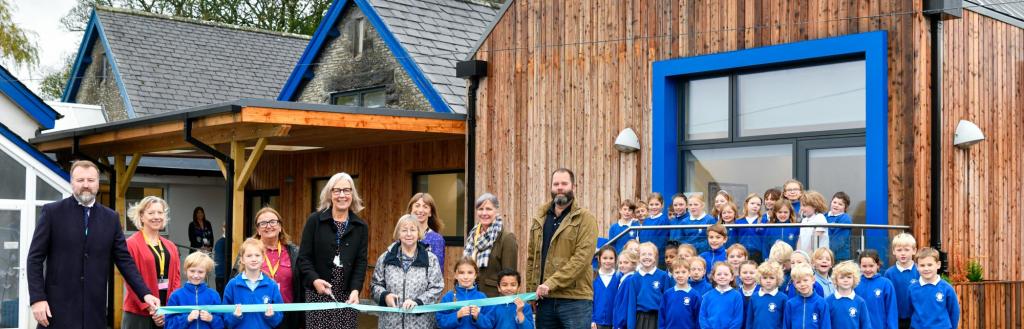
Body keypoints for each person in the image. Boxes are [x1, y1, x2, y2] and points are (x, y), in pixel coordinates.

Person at [28, 160, 160, 328]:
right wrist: (37, 298)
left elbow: (125, 261)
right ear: (71, 182)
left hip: (94, 311)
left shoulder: (111, 218)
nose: (86, 185)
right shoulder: (52, 212)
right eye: (80, 180)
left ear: (98, 182)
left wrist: (145, 293)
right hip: (56, 310)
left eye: (91, 180)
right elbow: (34, 258)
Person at [525, 168, 598, 329]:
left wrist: (551, 283)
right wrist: (531, 293)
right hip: (545, 300)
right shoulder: (540, 219)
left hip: (575, 300)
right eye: (556, 184)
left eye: (564, 183)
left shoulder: (586, 219)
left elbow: (581, 259)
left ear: (573, 187)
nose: (559, 187)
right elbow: (532, 258)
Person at [298, 172, 368, 329]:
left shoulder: (360, 227)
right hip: (318, 294)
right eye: (337, 190)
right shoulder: (315, 221)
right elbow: (304, 258)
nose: (342, 195)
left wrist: (356, 290)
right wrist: (315, 280)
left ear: (352, 194)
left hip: (347, 296)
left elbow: (360, 263)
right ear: (330, 194)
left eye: (346, 190)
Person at [370, 215, 444, 329]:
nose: (408, 234)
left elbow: (437, 287)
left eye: (413, 230)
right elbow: (375, 285)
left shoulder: (430, 259)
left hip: (421, 323)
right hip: (390, 323)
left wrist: (418, 302)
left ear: (418, 233)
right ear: (398, 234)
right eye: (404, 230)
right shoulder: (385, 258)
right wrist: (385, 296)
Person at [123, 196, 182, 329]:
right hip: (139, 313)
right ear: (141, 216)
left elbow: (176, 279)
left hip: (166, 313)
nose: (156, 217)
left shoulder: (170, 246)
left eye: (160, 212)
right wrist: (152, 310)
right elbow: (131, 280)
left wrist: (168, 308)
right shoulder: (131, 244)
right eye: (151, 213)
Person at [251, 207, 303, 328]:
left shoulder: (294, 252)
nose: (268, 226)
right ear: (258, 230)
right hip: (257, 315)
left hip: (287, 315)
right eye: (263, 223)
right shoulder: (249, 252)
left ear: (280, 227)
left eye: (273, 222)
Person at [464, 193, 519, 297]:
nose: (484, 213)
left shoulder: (507, 238)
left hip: (493, 298)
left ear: (496, 210)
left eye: (489, 209)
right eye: (480, 209)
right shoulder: (473, 235)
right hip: (472, 295)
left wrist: (503, 303)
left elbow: (509, 277)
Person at [224, 238, 283, 329]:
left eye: (257, 255)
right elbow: (225, 318)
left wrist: (271, 316)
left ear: (263, 258)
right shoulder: (232, 285)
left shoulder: (272, 285)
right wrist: (235, 317)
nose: (254, 259)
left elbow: (279, 317)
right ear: (242, 259)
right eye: (249, 256)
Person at [614, 243, 673, 329]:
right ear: (638, 257)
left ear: (655, 257)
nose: (647, 257)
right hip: (640, 319)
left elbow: (667, 302)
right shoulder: (634, 278)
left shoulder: (663, 276)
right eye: (643, 254)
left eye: (650, 254)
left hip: (658, 318)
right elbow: (631, 305)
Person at [165, 252, 223, 329]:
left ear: (206, 273)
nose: (196, 275)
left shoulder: (214, 295)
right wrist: (187, 319)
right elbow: (168, 325)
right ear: (185, 271)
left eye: (200, 272)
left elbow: (222, 324)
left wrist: (211, 318)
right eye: (192, 271)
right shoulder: (175, 296)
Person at [907, 247, 960, 329]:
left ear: (938, 265)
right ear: (917, 266)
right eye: (922, 265)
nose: (926, 268)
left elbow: (953, 312)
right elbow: (910, 311)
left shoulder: (947, 288)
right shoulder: (912, 288)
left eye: (930, 265)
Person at [437, 258, 493, 329]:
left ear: (475, 275)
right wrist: (457, 315)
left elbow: (490, 324)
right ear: (456, 275)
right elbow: (440, 322)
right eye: (461, 273)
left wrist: (478, 317)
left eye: (470, 273)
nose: (466, 277)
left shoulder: (482, 297)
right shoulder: (448, 297)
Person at [883, 233, 919, 329]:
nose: (903, 253)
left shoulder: (919, 271)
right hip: (895, 319)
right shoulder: (889, 273)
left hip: (916, 318)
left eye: (907, 250)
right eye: (899, 250)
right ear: (894, 251)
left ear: (914, 251)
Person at [856, 249, 898, 329]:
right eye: (864, 266)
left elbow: (891, 311)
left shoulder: (886, 284)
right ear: (860, 266)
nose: (868, 269)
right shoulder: (855, 284)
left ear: (878, 265)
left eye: (871, 266)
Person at [782, 263, 829, 329]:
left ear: (813, 280)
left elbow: (826, 326)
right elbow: (786, 326)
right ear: (794, 285)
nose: (802, 284)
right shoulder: (790, 304)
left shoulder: (822, 303)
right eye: (798, 282)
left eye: (805, 280)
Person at [698, 262, 743, 329]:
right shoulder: (707, 296)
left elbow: (738, 318)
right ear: (713, 277)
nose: (722, 276)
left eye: (726, 274)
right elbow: (702, 316)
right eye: (719, 274)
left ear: (732, 277)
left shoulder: (736, 296)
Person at [827, 261, 871, 329]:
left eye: (849, 277)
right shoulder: (828, 301)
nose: (845, 280)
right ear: (836, 280)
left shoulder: (860, 302)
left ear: (854, 279)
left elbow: (866, 325)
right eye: (842, 277)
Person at [658, 258, 701, 329]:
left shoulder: (695, 295)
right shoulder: (667, 294)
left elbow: (698, 318)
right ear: (672, 274)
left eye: (683, 272)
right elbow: (662, 315)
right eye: (677, 272)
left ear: (689, 273)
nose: (680, 275)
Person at [408, 193, 446, 269]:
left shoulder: (437, 239)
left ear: (430, 213)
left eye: (425, 207)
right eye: (417, 205)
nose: (420, 210)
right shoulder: (404, 235)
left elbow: (437, 271)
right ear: (411, 210)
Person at [746, 261, 787, 329]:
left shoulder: (783, 298)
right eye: (765, 278)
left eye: (771, 278)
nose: (768, 280)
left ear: (778, 279)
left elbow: (785, 322)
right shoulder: (754, 297)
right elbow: (749, 320)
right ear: (759, 279)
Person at [592, 246, 619, 329]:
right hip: (596, 323)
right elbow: (589, 300)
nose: (608, 261)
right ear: (599, 259)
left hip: (614, 323)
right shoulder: (593, 277)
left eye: (611, 258)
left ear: (615, 260)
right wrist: (592, 320)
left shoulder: (619, 277)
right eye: (605, 258)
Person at [796, 191, 830, 255]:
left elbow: (815, 241)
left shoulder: (820, 218)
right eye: (801, 205)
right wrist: (798, 253)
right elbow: (800, 239)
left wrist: (808, 256)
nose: (802, 208)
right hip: (805, 256)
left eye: (804, 205)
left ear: (814, 206)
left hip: (817, 256)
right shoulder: (804, 220)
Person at [638, 193, 669, 265]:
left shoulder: (663, 220)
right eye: (651, 204)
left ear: (662, 205)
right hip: (644, 255)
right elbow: (642, 237)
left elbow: (661, 241)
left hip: (657, 257)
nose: (654, 207)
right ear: (648, 206)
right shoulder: (646, 220)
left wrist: (652, 253)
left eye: (657, 204)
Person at [736, 193, 767, 262]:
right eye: (752, 203)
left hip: (758, 255)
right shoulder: (738, 221)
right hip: (741, 254)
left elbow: (765, 241)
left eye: (758, 204)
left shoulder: (764, 221)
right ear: (746, 204)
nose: (755, 206)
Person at [826, 192, 853, 261]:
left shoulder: (845, 219)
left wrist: (827, 253)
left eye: (840, 204)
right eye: (834, 202)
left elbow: (838, 241)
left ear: (845, 207)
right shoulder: (824, 216)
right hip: (824, 255)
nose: (836, 205)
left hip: (839, 257)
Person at [214, 224, 228, 293]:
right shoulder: (221, 242)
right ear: (223, 228)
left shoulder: (226, 241)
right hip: (222, 277)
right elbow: (219, 262)